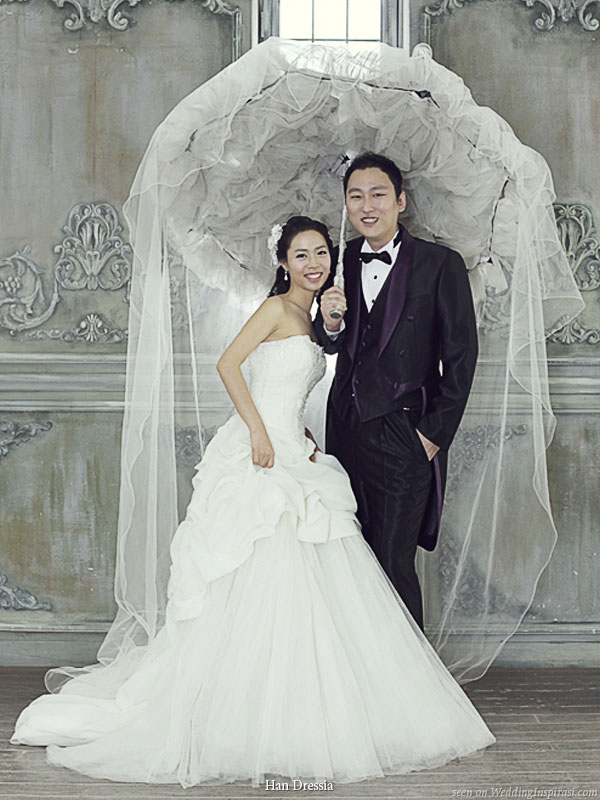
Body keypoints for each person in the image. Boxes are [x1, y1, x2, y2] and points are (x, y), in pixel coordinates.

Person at [11, 216, 494, 788]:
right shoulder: (274, 310)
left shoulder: (312, 321)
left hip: (294, 450)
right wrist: (260, 432)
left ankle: (297, 701)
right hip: (258, 451)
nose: (313, 264)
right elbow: (228, 366)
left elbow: (303, 382)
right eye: (301, 255)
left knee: (310, 575)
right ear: (283, 263)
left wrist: (304, 422)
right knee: (258, 563)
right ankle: (238, 708)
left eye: (321, 254)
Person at [315, 152, 479, 632]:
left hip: (405, 432)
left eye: (378, 194)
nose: (367, 206)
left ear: (400, 201)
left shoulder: (440, 264)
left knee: (392, 560)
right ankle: (360, 678)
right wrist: (329, 322)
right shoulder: (338, 258)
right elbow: (327, 340)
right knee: (351, 557)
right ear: (346, 204)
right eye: (356, 196)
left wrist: (431, 436)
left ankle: (410, 690)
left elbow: (462, 358)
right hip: (345, 430)